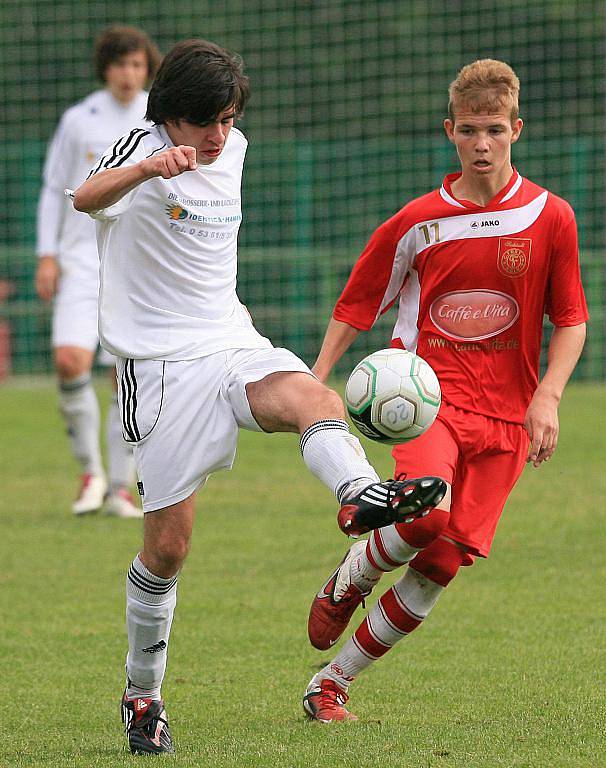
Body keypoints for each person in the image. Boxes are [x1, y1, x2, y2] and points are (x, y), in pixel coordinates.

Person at [71, 39, 445, 754]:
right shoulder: (139, 144)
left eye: (229, 118)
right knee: (168, 551)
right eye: (205, 121)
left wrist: (212, 142)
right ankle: (142, 694)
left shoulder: (232, 148)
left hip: (230, 341)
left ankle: (361, 495)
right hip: (158, 368)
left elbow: (222, 146)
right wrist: (148, 168)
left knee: (314, 398)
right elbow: (85, 197)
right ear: (170, 115)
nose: (218, 135)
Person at [303, 59, 588, 722]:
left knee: (440, 564)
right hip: (427, 400)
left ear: (517, 129)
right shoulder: (419, 221)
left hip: (509, 419)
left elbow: (571, 319)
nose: (481, 143)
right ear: (449, 132)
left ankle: (331, 684)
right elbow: (357, 303)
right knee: (425, 515)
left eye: (494, 129)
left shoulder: (552, 218)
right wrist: (316, 378)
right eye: (468, 130)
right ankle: (352, 577)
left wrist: (547, 396)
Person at [35, 25, 161, 517]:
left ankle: (120, 488)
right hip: (80, 261)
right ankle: (90, 475)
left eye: (136, 65)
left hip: (132, 264)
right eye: (119, 64)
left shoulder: (159, 118)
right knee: (70, 361)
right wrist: (48, 254)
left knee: (122, 375)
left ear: (146, 68)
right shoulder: (78, 119)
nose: (127, 74)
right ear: (105, 68)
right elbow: (53, 190)